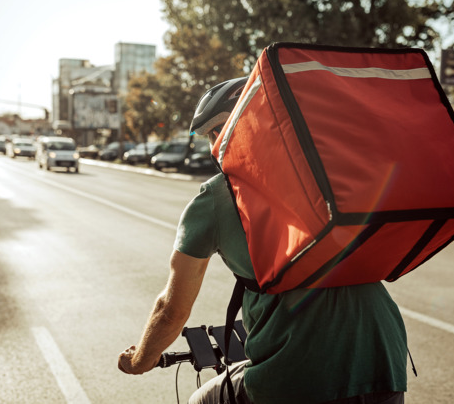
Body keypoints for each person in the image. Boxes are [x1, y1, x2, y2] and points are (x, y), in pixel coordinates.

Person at [118, 77, 409, 404]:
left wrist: (140, 359)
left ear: (223, 133)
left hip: (297, 375)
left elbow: (172, 309)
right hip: (385, 361)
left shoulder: (219, 195)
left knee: (202, 401)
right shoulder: (328, 178)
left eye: (212, 136)